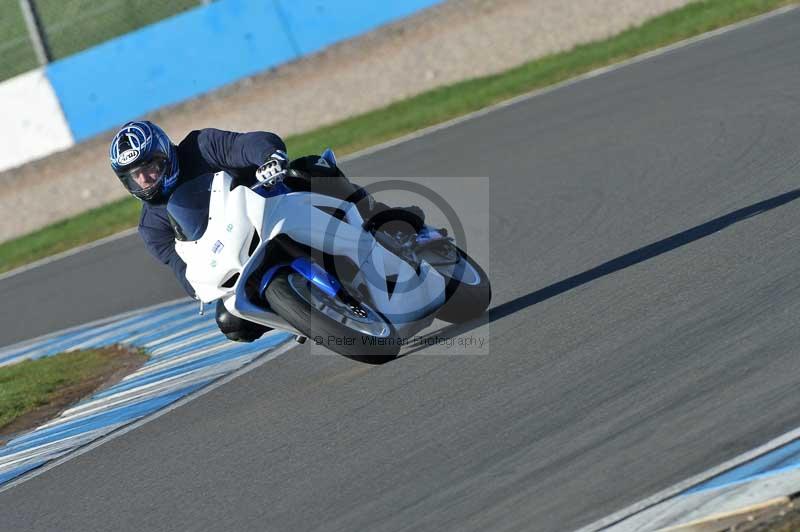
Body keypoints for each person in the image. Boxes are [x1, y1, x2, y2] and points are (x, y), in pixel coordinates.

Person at [109, 120, 423, 342]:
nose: (146, 179)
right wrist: (199, 287)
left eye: (150, 167)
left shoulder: (200, 146)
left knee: (310, 168)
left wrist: (268, 158)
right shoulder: (151, 227)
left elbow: (247, 143)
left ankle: (386, 223)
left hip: (273, 205)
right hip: (237, 256)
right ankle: (300, 316)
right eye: (135, 176)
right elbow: (181, 268)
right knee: (230, 321)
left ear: (166, 153)